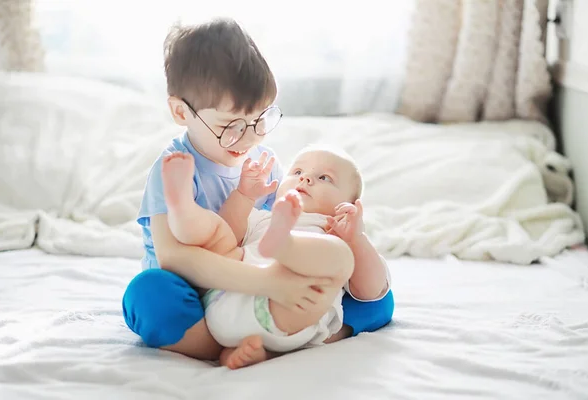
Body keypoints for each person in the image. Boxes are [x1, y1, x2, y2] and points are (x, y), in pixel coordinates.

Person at [122, 17, 395, 363]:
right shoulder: (173, 168)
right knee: (148, 297)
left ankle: (274, 334)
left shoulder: (262, 161)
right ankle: (230, 344)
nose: (248, 138)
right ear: (181, 111)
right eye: (231, 126)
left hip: (263, 291)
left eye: (259, 121)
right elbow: (176, 258)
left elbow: (275, 232)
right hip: (199, 288)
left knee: (376, 302)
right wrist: (267, 283)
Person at [161, 145, 390, 369]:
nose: (306, 179)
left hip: (291, 312)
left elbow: (371, 291)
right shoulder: (262, 218)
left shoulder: (338, 233)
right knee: (218, 234)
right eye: (297, 172)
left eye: (324, 178)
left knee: (339, 256)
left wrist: (356, 239)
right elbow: (228, 232)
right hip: (226, 300)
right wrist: (243, 196)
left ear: (349, 205)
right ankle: (184, 211)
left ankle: (284, 247)